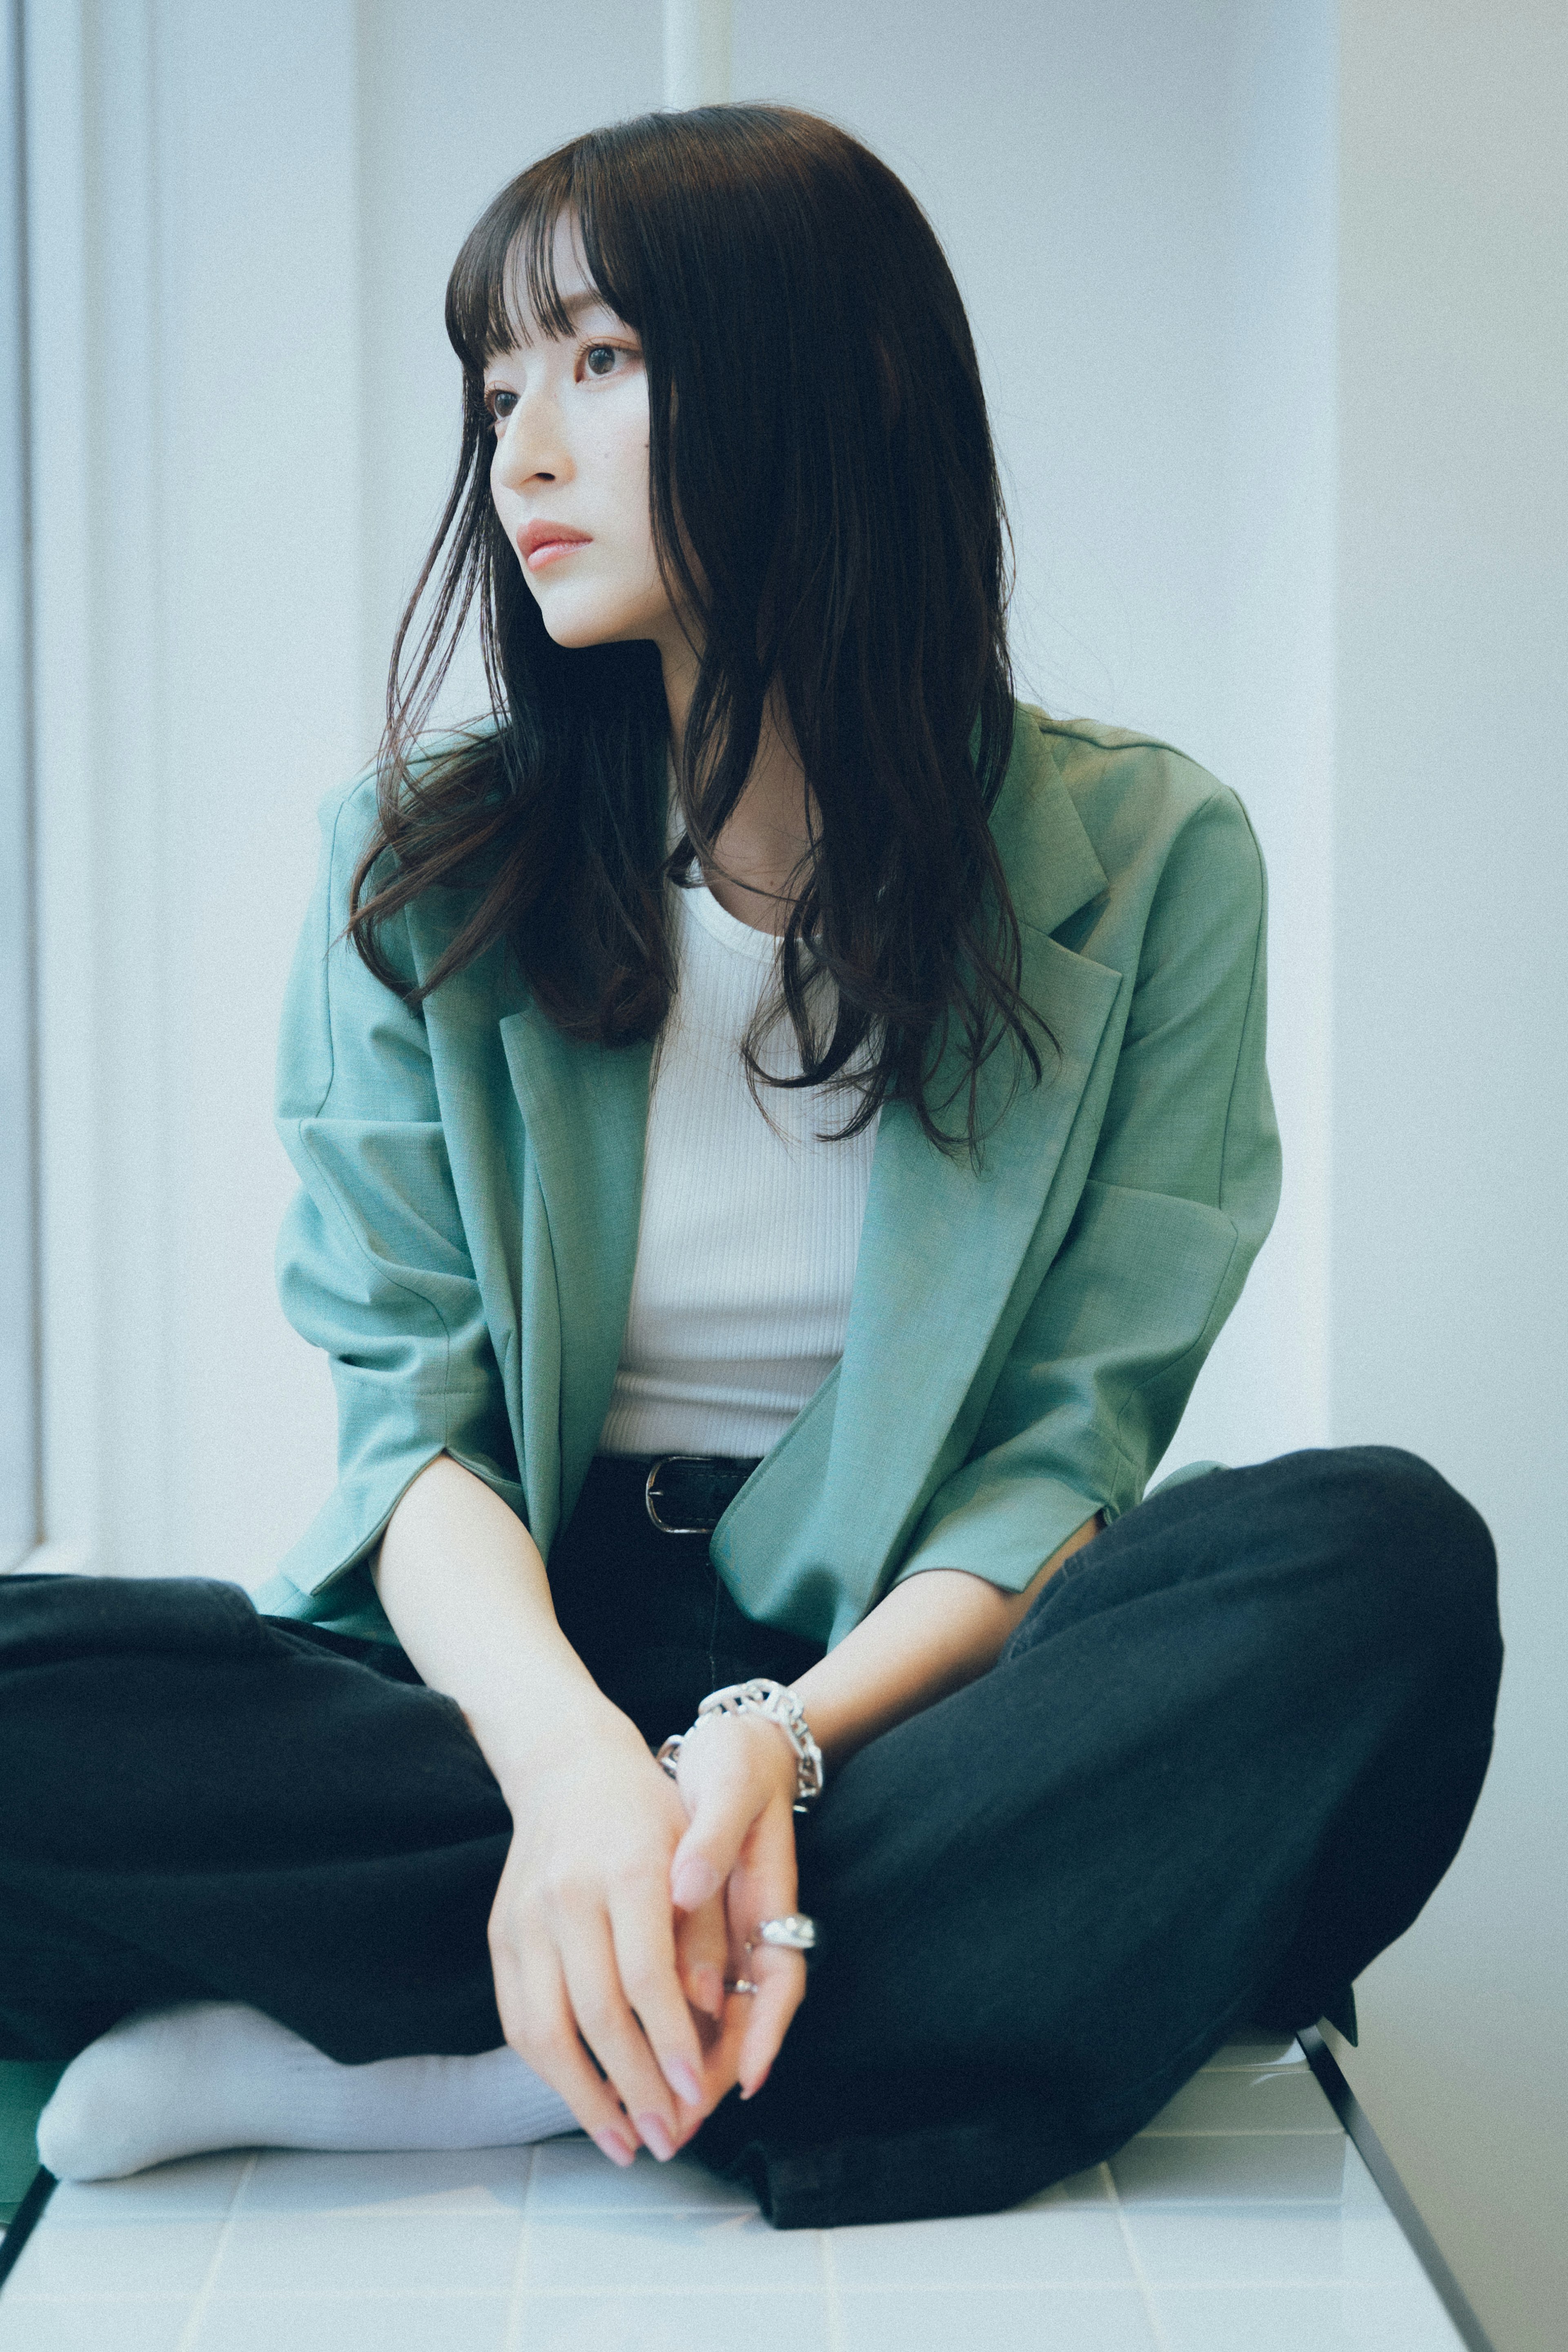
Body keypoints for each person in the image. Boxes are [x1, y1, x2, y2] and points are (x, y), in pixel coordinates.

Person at [0, 105, 1501, 2231]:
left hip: (900, 1698)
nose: (518, 450)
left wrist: (766, 1750)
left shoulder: (1156, 867)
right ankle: (689, 1993)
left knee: (1384, 1570)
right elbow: (406, 1430)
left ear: (834, 377)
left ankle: (486, 2061)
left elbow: (1068, 1455)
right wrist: (579, 1777)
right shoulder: (415, 873)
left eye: (597, 365)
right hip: (493, 1676)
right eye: (498, 386)